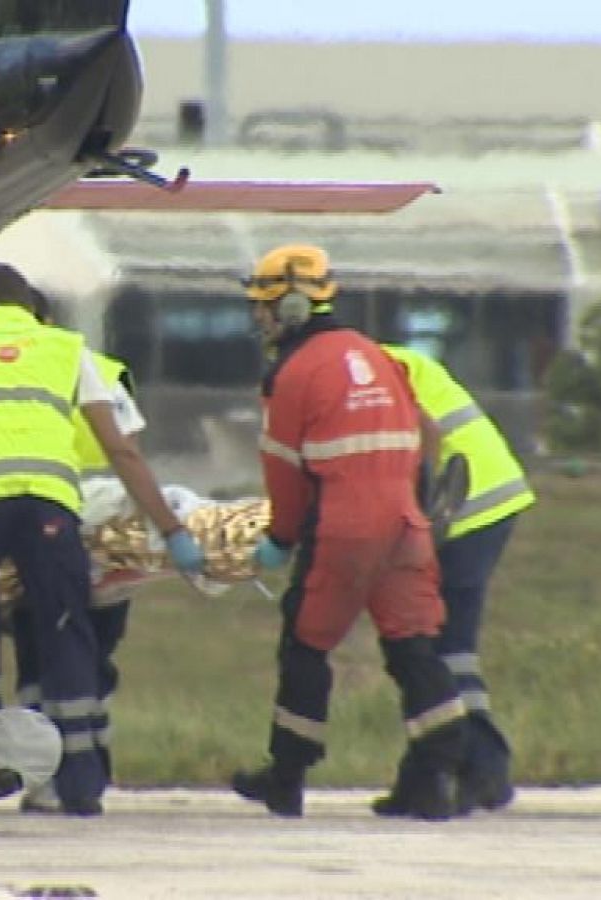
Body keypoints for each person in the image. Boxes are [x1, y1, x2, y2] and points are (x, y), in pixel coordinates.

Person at [0, 262, 205, 816]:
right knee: (66, 625)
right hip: (50, 508)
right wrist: (172, 530)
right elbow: (122, 450)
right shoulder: (67, 349)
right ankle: (78, 785)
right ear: (33, 307)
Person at [231, 243, 467, 820]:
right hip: (405, 523)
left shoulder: (291, 374)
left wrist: (281, 539)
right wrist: (417, 502)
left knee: (306, 644)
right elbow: (425, 434)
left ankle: (286, 777)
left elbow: (283, 474)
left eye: (263, 306)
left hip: (344, 527)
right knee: (413, 648)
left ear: (287, 308)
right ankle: (433, 779)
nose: (258, 318)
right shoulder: (378, 355)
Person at [383, 344, 535, 813]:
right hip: (486, 497)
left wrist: (415, 510)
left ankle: (481, 769)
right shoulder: (385, 358)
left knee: (436, 646)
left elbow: (422, 433)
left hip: (466, 506)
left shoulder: (364, 371)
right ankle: (467, 770)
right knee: (448, 648)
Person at [10, 287, 145, 811]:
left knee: (38, 654)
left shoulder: (1, 369)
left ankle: (47, 778)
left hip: (42, 519)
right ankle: (93, 764)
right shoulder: (104, 369)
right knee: (95, 652)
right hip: (109, 528)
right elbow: (130, 450)